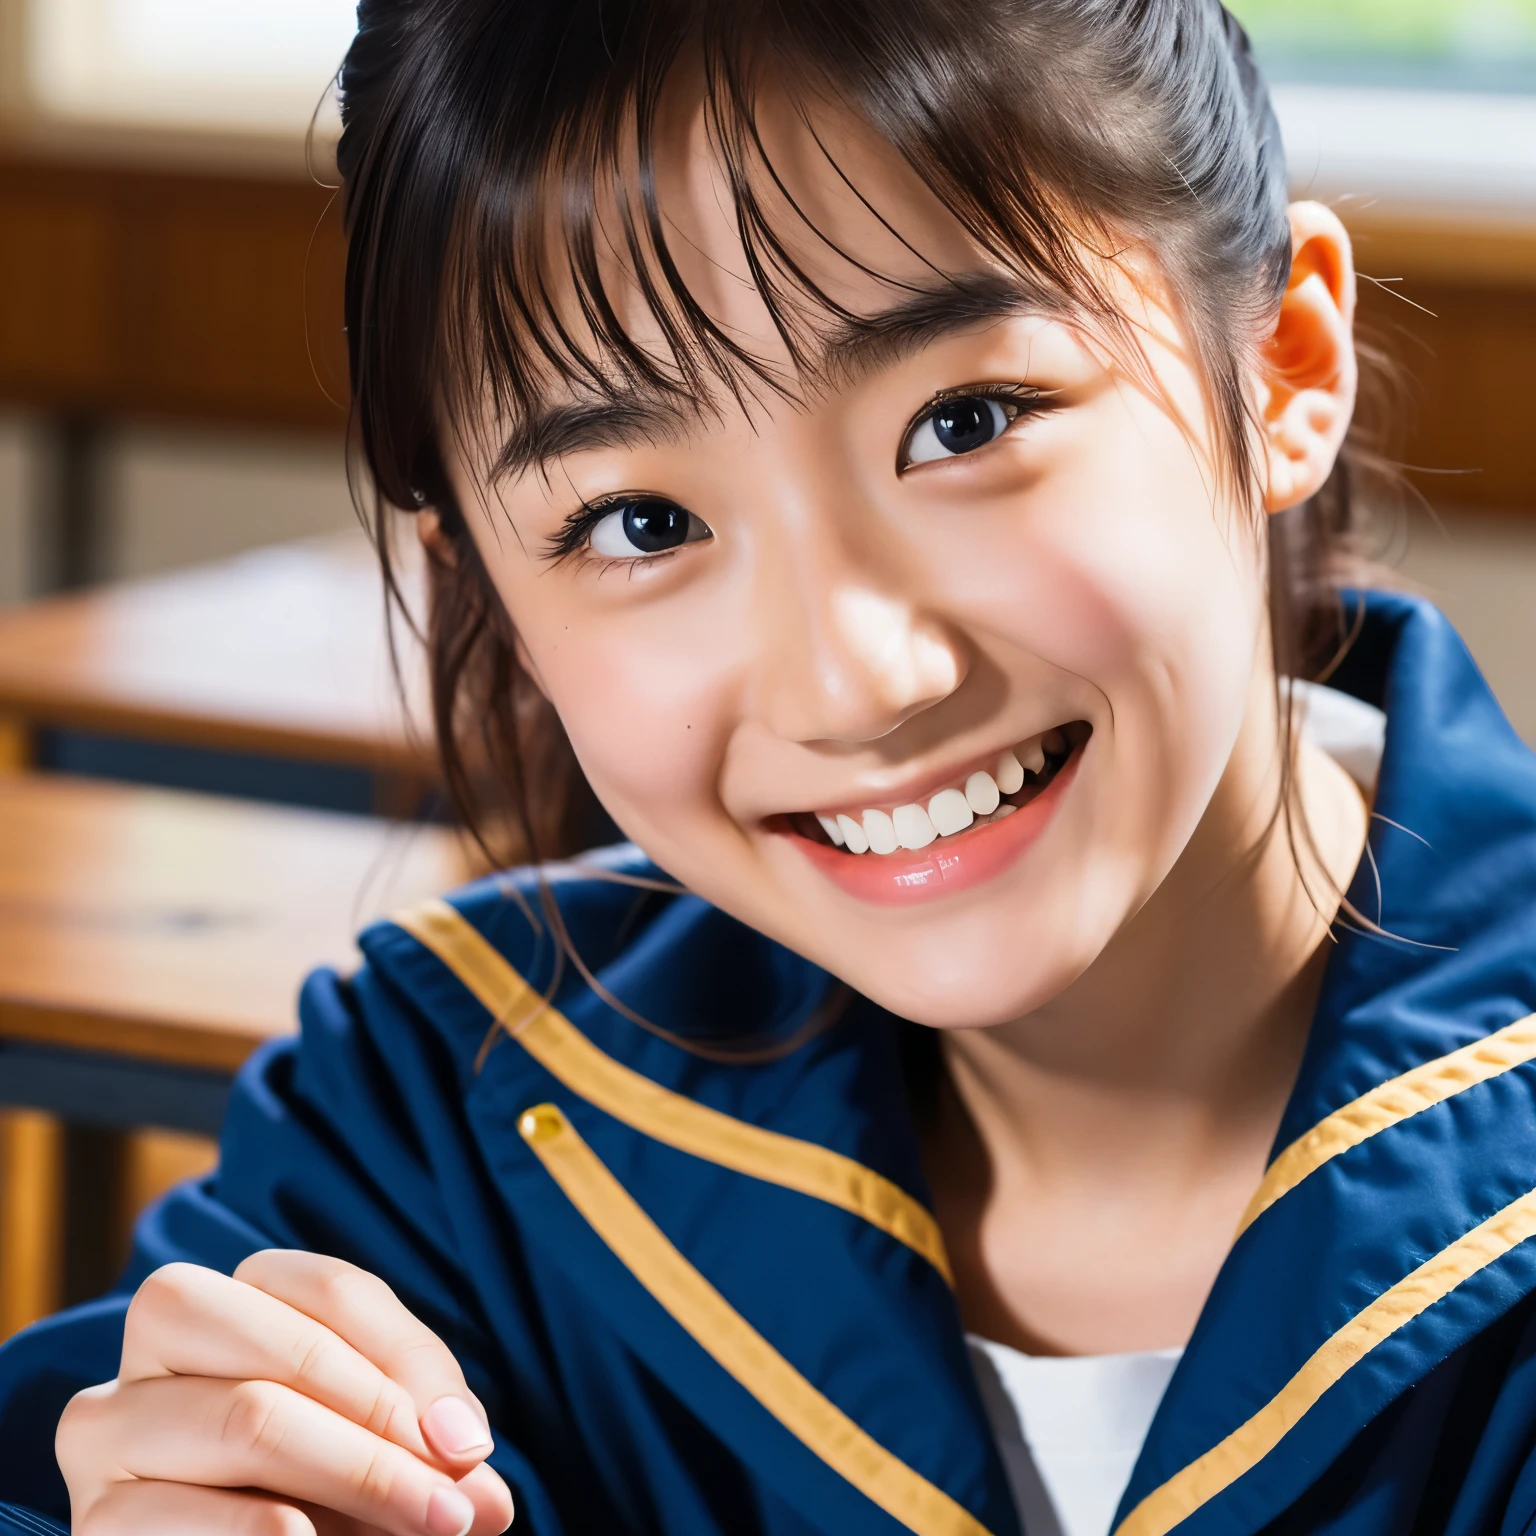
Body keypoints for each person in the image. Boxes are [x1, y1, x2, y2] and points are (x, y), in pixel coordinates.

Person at [4, 0, 1536, 1532]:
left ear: (1281, 365)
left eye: (965, 421)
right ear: (486, 590)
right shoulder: (440, 1126)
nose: (854, 681)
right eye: (641, 525)